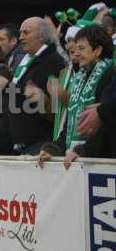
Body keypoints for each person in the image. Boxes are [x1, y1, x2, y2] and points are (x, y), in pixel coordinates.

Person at [38, 25, 116, 168]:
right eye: (75, 48)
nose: (75, 53)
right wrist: (52, 149)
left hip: (100, 165)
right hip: (79, 161)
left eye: (81, 48)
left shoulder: (109, 75)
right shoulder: (80, 78)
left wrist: (83, 151)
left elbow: (106, 125)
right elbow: (70, 125)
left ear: (97, 50)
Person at [2, 17, 65, 155]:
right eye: (20, 33)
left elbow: (55, 106)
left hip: (40, 143)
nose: (21, 37)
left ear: (42, 36)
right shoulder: (28, 61)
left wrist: (7, 86)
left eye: (26, 32)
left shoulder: (52, 61)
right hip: (23, 143)